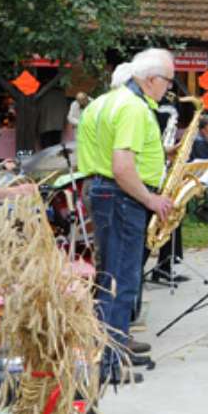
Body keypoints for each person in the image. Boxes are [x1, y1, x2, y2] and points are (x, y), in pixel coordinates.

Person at [77, 49, 176, 381]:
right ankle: (110, 364)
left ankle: (113, 344)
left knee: (111, 276)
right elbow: (122, 167)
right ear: (150, 79)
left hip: (103, 192)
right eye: (168, 81)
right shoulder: (133, 108)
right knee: (122, 279)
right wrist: (151, 200)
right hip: (123, 198)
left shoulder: (103, 102)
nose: (169, 88)